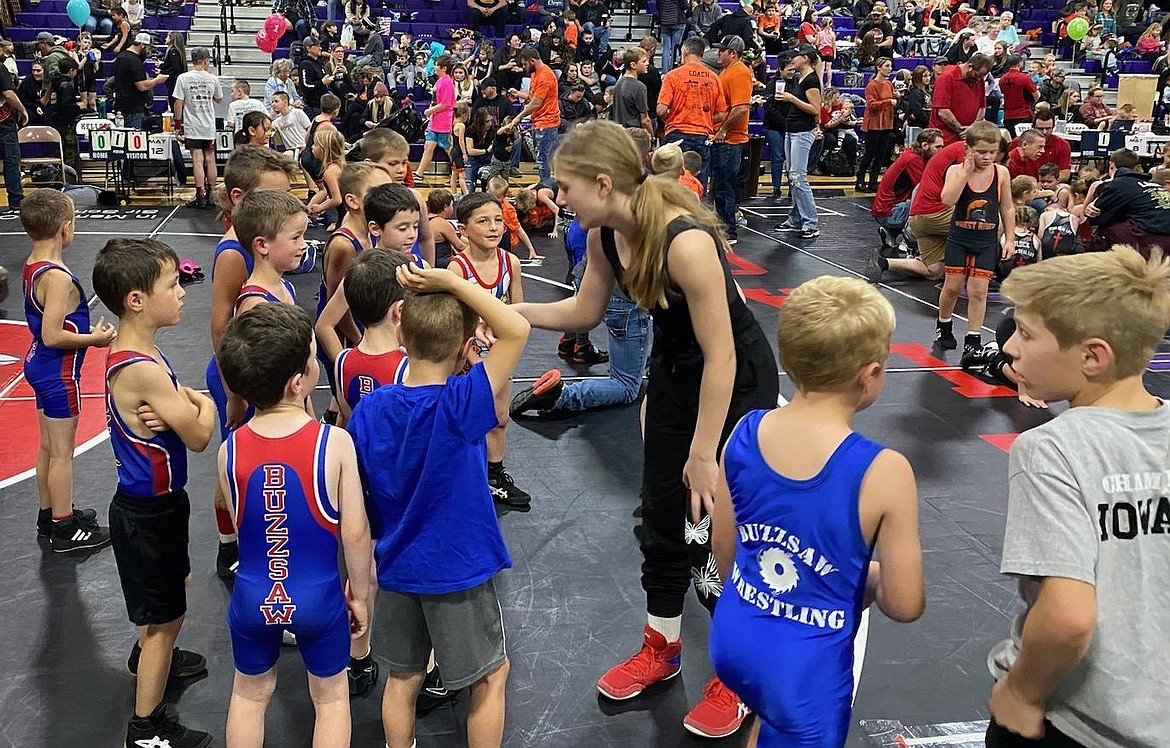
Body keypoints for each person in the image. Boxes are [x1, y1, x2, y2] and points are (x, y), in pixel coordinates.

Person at [512, 120, 780, 739]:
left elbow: (723, 355)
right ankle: (661, 647)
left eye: (564, 186)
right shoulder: (604, 234)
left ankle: (736, 675)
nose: (556, 198)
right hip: (676, 371)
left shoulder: (685, 242)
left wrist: (706, 452)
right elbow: (582, 311)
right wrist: (505, 311)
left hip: (732, 379)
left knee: (721, 527)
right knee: (660, 512)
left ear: (603, 183)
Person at [709, 275, 925, 748]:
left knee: (768, 718)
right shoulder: (884, 471)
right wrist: (863, 578)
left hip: (735, 635)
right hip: (806, 672)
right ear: (870, 375)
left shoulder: (746, 431)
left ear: (787, 359)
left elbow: (725, 550)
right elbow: (905, 604)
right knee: (787, 719)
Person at [985, 246, 1170, 747]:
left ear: (1092, 356)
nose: (1010, 349)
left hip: (1074, 723)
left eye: (1026, 335)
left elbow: (1067, 617)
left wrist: (1022, 693)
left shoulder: (1052, 449)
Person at [348, 259, 530, 748]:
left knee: (402, 677)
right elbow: (518, 327)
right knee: (491, 676)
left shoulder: (370, 408)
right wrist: (454, 281)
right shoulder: (460, 402)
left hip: (398, 566)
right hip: (458, 569)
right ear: (467, 344)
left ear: (400, 330)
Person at [217, 302, 372, 748]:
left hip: (252, 596)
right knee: (330, 699)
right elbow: (356, 533)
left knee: (249, 693)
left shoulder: (232, 449)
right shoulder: (333, 442)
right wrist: (359, 595)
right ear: (298, 381)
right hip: (318, 597)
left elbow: (241, 518)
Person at [91, 237, 216, 748]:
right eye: (172, 285)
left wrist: (183, 404)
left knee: (172, 592)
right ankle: (146, 728)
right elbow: (202, 434)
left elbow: (182, 413)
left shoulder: (139, 349)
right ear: (136, 300)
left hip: (157, 504)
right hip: (147, 512)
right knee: (163, 616)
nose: (183, 292)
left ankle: (151, 655)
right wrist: (198, 403)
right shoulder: (142, 366)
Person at [206, 145, 302, 580]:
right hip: (241, 372)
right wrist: (234, 395)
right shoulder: (233, 254)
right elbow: (222, 330)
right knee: (239, 465)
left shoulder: (273, 269)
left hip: (267, 366)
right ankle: (232, 546)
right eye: (272, 196)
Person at [20, 190, 114, 550]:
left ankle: (49, 513)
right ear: (65, 228)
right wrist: (95, 339)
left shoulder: (33, 264)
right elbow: (52, 334)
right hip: (58, 373)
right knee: (61, 453)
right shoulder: (57, 277)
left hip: (39, 367)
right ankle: (64, 527)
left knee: (47, 448)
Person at [447, 192, 533, 511]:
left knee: (499, 416)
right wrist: (473, 360)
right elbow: (453, 322)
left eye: (498, 220)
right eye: (483, 221)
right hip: (463, 358)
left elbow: (518, 310)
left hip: (497, 354)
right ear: (463, 229)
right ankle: (461, 477)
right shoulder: (457, 270)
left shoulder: (511, 262)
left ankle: (494, 476)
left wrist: (506, 350)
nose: (494, 227)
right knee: (465, 419)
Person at [935, 120, 1015, 355]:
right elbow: (947, 199)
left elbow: (1007, 208)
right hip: (960, 238)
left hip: (986, 241)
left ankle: (973, 336)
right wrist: (966, 173)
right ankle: (944, 323)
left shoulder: (1001, 173)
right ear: (967, 149)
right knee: (952, 288)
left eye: (992, 152)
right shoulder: (955, 171)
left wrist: (1009, 239)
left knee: (979, 291)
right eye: (981, 152)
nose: (988, 157)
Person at [657, 36, 726, 186]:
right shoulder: (714, 78)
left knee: (672, 185)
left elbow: (661, 110)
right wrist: (703, 117)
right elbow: (721, 114)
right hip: (703, 136)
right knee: (697, 184)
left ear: (685, 51)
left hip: (677, 133)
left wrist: (672, 116)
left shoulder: (673, 76)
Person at [867, 127, 944, 261]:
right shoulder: (914, 160)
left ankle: (890, 232)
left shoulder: (913, 155)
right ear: (925, 146)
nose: (942, 151)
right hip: (889, 212)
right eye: (938, 147)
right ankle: (909, 239)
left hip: (887, 210)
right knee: (927, 204)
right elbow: (927, 189)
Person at [774, 43, 822, 240]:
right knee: (792, 176)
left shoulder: (810, 80)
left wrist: (791, 99)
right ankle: (795, 219)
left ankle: (811, 222)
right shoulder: (797, 78)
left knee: (798, 176)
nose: (793, 59)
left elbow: (815, 109)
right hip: (792, 129)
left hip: (802, 131)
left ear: (806, 59)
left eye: (797, 55)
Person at [1085, 149, 1170, 256]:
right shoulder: (1152, 184)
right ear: (1135, 167)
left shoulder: (1119, 183)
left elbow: (1096, 217)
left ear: (1112, 165)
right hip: (1160, 231)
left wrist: (1092, 207)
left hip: (1157, 239)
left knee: (1105, 229)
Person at [711, 35, 753, 245]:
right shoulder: (727, 71)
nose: (718, 53)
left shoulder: (739, 73)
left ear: (733, 53)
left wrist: (723, 130)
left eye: (722, 50)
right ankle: (722, 227)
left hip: (731, 139)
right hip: (724, 138)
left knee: (725, 185)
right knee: (720, 185)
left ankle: (728, 231)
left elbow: (741, 108)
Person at [174, 47, 223, 209]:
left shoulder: (183, 78)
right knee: (210, 158)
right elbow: (219, 98)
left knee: (197, 158)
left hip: (192, 125)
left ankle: (200, 194)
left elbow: (178, 103)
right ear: (206, 61)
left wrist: (177, 124)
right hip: (208, 124)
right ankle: (212, 194)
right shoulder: (212, 78)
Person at [504, 48, 562, 183]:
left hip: (547, 122)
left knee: (543, 159)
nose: (524, 68)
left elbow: (536, 103)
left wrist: (518, 117)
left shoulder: (545, 76)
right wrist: (518, 94)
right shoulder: (535, 73)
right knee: (541, 158)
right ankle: (545, 184)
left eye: (525, 64)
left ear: (532, 61)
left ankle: (547, 187)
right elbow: (533, 97)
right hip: (539, 121)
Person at [857, 56, 899, 193]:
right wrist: (889, 102)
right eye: (887, 66)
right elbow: (871, 105)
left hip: (886, 123)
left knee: (881, 154)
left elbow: (894, 103)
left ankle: (873, 182)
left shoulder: (889, 84)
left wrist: (897, 98)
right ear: (878, 67)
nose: (889, 69)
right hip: (874, 124)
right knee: (870, 154)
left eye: (890, 66)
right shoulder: (872, 85)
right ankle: (860, 181)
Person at [929, 52, 991, 144]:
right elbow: (943, 112)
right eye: (978, 75)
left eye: (982, 76)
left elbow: (982, 107)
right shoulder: (947, 78)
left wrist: (971, 129)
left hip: (968, 136)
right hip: (945, 137)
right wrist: (961, 130)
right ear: (970, 66)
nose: (979, 79)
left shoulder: (979, 80)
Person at [113, 33, 170, 129]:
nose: (148, 52)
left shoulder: (121, 56)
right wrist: (157, 80)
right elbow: (142, 86)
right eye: (148, 48)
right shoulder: (134, 61)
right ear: (142, 45)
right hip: (134, 109)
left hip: (122, 106)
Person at [0, 37, 27, 209]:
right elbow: (8, 94)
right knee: (11, 161)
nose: (3, 52)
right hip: (3, 123)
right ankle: (16, 200)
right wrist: (22, 109)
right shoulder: (0, 68)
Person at [1000, 55, 1037, 135]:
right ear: (1020, 63)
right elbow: (1036, 95)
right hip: (1024, 114)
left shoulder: (1002, 79)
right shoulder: (1024, 78)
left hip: (1008, 116)